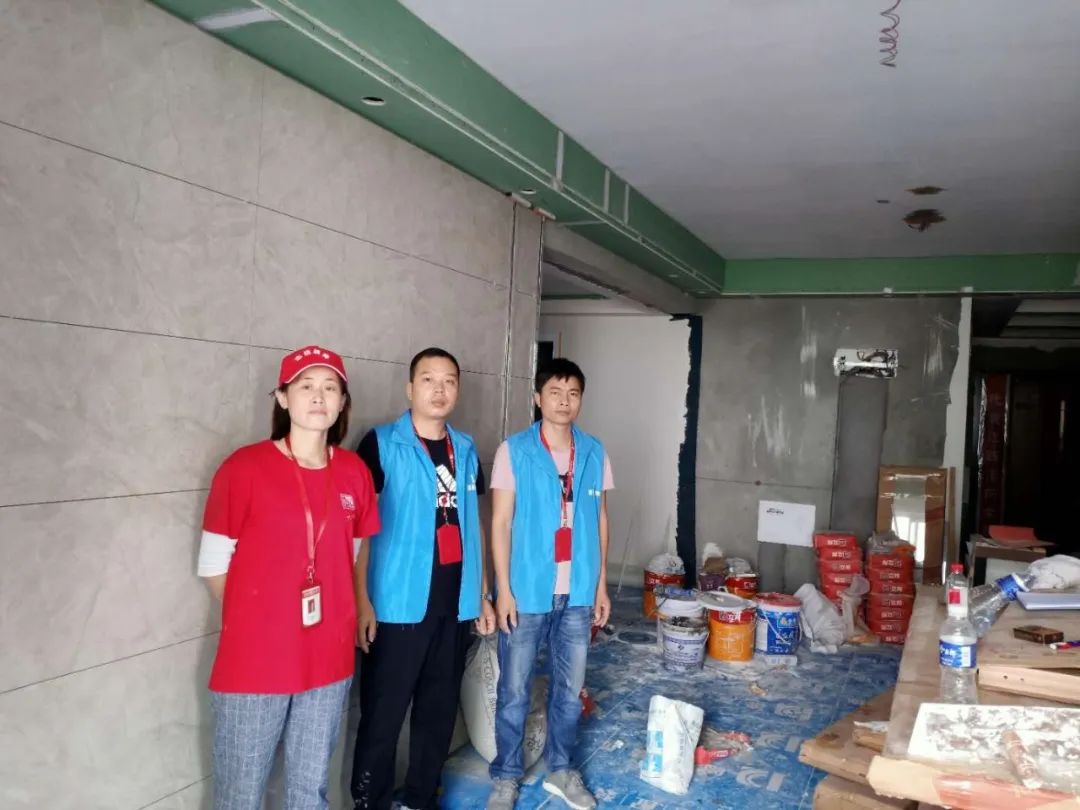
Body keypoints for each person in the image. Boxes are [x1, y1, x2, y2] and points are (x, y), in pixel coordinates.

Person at [197, 345, 380, 810]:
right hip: (255, 662)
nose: (319, 397)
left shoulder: (354, 473)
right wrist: (261, 620)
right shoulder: (243, 468)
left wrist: (355, 608)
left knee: (309, 791)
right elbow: (214, 567)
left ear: (342, 402)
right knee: (240, 795)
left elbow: (355, 553)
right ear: (282, 398)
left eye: (330, 388)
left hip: (328, 660)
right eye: (306, 386)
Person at [350, 347, 496, 810]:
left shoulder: (465, 448)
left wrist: (483, 594)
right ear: (410, 388)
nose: (439, 389)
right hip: (396, 606)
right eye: (429, 379)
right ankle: (370, 802)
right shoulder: (380, 444)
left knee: (437, 714)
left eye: (449, 380)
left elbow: (473, 525)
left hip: (454, 605)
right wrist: (362, 601)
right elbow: (359, 531)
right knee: (383, 717)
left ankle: (419, 798)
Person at [486, 358, 614, 810]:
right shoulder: (514, 450)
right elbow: (500, 522)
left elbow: (599, 518)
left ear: (581, 400)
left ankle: (561, 769)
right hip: (526, 590)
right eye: (555, 393)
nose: (564, 401)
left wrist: (601, 584)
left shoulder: (594, 451)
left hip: (577, 591)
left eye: (573, 393)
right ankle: (506, 776)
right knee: (514, 692)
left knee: (569, 691)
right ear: (538, 398)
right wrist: (503, 589)